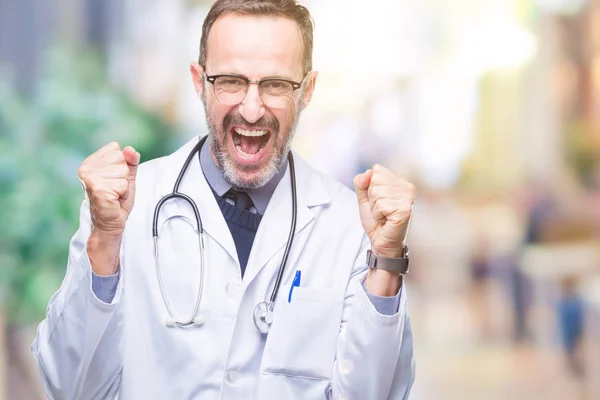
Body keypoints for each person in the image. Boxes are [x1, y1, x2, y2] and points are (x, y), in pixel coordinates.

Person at [31, 1, 416, 398]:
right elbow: (68, 385)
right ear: (199, 82)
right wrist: (104, 242)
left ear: (307, 91)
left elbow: (376, 394)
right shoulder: (128, 207)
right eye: (231, 81)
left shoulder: (348, 226)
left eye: (275, 84)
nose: (252, 110)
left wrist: (386, 259)